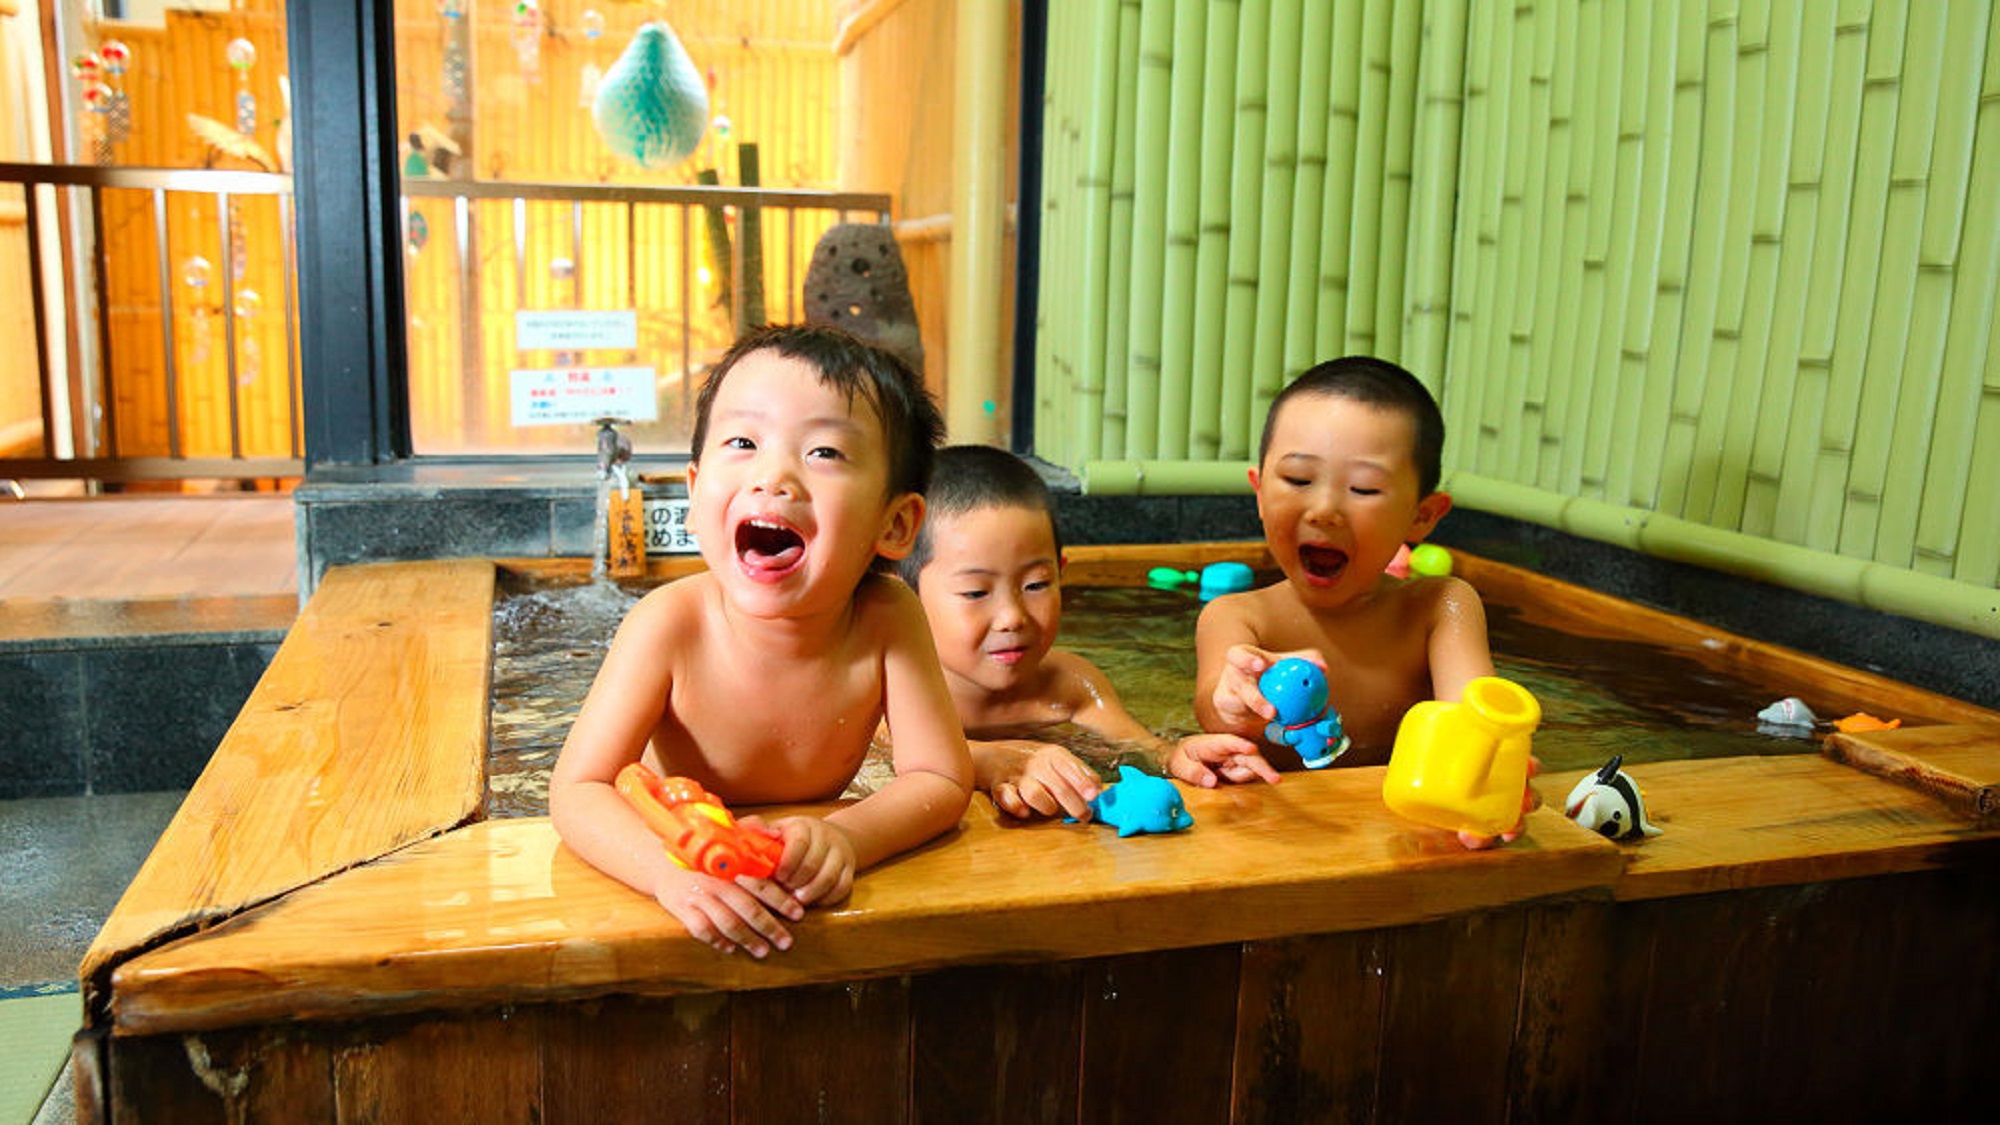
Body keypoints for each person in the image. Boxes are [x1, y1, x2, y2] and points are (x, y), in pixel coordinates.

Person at [551, 324, 972, 957]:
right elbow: (579, 790)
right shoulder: (669, 625)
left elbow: (940, 777)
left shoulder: (889, 617)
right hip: (689, 848)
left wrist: (847, 837)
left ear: (896, 522)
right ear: (694, 497)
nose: (774, 477)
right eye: (743, 442)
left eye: (824, 452)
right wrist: (668, 874)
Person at [1193, 355, 1530, 847]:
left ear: (1422, 516)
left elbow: (1474, 719)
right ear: (1260, 492)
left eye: (1364, 489)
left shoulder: (1439, 608)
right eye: (1299, 480)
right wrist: (1236, 698)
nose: (1325, 509)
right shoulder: (1237, 616)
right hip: (1272, 835)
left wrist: (1491, 777)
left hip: (1393, 835)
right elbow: (1212, 707)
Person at [900, 445, 1277, 820]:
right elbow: (896, 755)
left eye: (1036, 584)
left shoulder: (1071, 686)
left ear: (1062, 573)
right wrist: (996, 759)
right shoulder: (892, 694)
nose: (1011, 617)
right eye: (976, 592)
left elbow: (1144, 748)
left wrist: (1180, 757)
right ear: (905, 594)